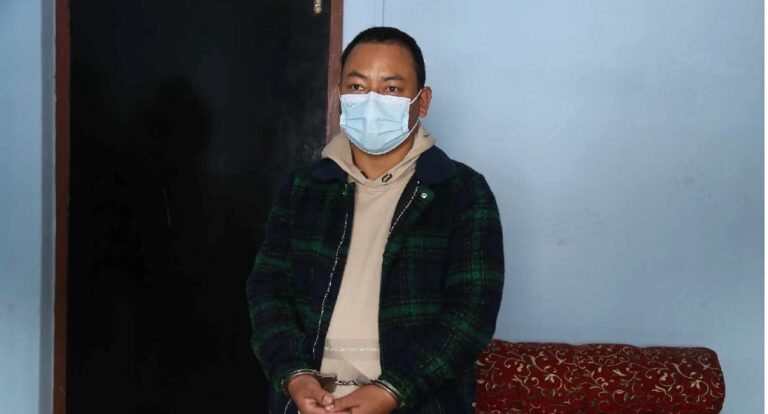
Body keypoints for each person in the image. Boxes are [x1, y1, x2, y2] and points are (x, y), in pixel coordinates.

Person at [247, 27, 504, 413]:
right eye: (357, 86)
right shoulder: (305, 188)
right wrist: (295, 374)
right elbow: (268, 290)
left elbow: (471, 314)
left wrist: (391, 390)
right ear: (339, 94)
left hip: (414, 402)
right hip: (312, 401)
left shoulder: (462, 192)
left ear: (422, 101)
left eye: (391, 88)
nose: (371, 101)